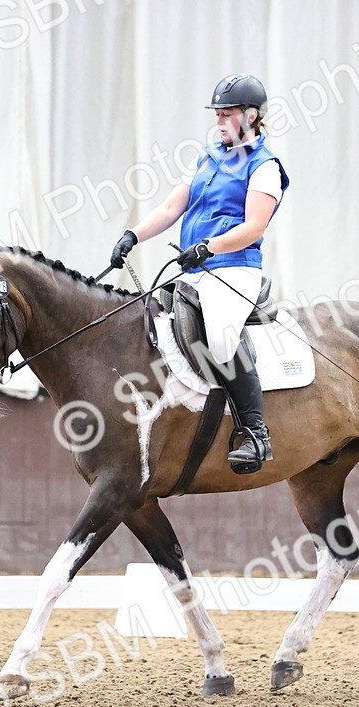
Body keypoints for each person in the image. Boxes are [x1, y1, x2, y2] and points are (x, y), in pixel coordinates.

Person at [109, 74, 289, 474]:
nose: (220, 121)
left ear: (251, 115)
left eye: (227, 114)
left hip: (234, 268)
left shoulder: (264, 167)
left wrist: (210, 246)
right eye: (218, 114)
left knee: (223, 337)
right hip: (195, 266)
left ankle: (256, 433)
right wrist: (133, 235)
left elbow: (254, 227)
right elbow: (173, 207)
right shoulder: (206, 157)